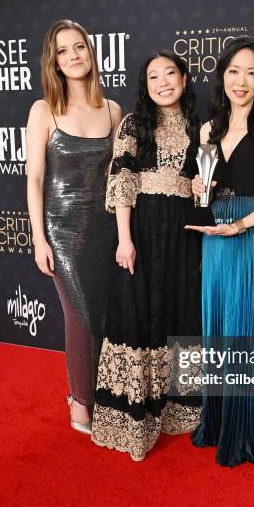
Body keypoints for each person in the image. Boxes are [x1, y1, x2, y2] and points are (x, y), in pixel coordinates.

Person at [91, 51, 202, 461]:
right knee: (137, 312)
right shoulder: (134, 124)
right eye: (153, 76)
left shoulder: (200, 126)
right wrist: (124, 237)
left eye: (170, 74)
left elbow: (204, 186)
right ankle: (133, 417)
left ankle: (179, 411)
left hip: (183, 231)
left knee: (180, 310)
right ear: (145, 85)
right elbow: (122, 179)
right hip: (142, 228)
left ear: (185, 80)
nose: (162, 82)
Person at [186, 36, 254, 469]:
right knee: (221, 327)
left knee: (252, 327)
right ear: (222, 75)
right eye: (234, 71)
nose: (241, 81)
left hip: (251, 233)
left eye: (251, 72)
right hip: (216, 235)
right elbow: (204, 190)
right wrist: (197, 188)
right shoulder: (209, 128)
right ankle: (223, 419)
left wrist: (242, 225)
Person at [26, 19, 121, 434]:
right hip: (63, 232)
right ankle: (80, 402)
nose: (73, 56)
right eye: (63, 51)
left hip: (105, 228)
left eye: (78, 47)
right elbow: (34, 178)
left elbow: (121, 179)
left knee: (102, 313)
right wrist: (37, 236)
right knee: (80, 316)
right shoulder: (43, 109)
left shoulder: (113, 109)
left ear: (90, 51)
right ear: (55, 62)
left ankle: (103, 394)